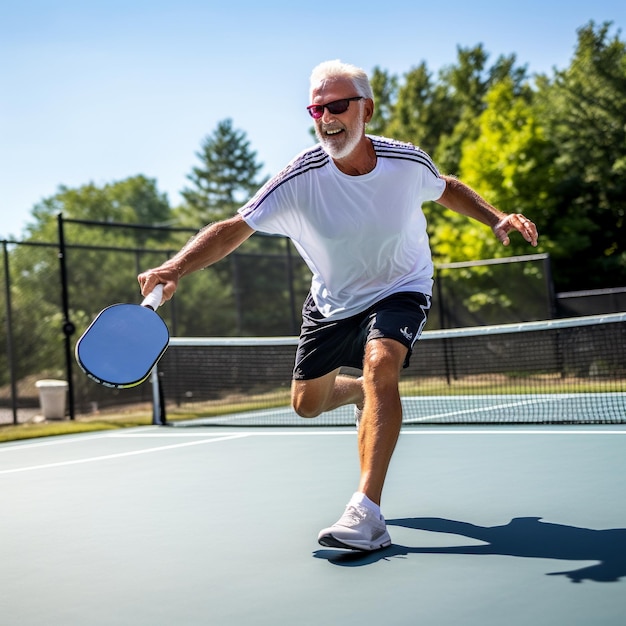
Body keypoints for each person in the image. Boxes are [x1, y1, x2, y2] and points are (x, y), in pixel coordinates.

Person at [138, 60, 539, 552]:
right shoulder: (298, 179)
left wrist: (495, 218)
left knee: (381, 365)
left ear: (366, 109)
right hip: (332, 302)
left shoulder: (406, 163)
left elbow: (447, 187)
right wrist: (174, 268)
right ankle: (356, 395)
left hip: (401, 286)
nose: (325, 116)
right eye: (316, 107)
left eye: (337, 105)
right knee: (306, 405)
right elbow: (231, 230)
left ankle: (366, 512)